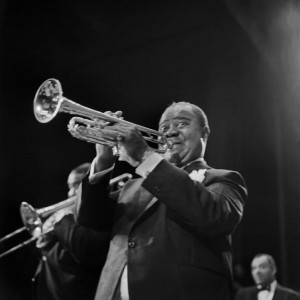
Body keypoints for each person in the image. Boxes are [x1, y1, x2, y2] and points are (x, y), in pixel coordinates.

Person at [78, 101, 248, 300]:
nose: (171, 133)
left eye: (182, 124)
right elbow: (89, 218)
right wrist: (103, 160)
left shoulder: (224, 178)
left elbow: (213, 216)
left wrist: (144, 156)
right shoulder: (132, 187)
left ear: (205, 133)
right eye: (164, 128)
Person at [32, 163, 112, 300]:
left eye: (76, 185)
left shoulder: (96, 216)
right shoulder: (67, 218)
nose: (70, 193)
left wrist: (61, 219)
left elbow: (86, 250)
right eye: (70, 187)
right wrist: (47, 244)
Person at [234, 253, 300, 300]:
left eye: (262, 267)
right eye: (253, 268)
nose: (257, 272)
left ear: (273, 269)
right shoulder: (243, 295)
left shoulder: (291, 296)